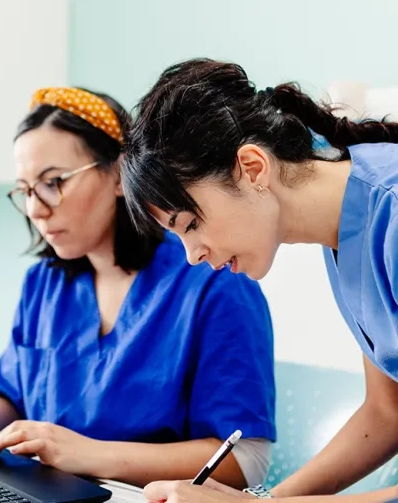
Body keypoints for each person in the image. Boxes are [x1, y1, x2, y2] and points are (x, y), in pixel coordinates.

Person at [0, 86, 278, 488]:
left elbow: (245, 461)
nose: (36, 210)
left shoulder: (213, 278)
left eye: (53, 182)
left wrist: (89, 454)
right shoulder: (44, 283)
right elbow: (12, 400)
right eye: (25, 190)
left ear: (119, 175)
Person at [120, 58, 398, 502]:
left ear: (252, 168)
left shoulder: (393, 216)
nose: (192, 257)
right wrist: (262, 500)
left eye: (190, 224)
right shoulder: (348, 230)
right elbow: (389, 412)